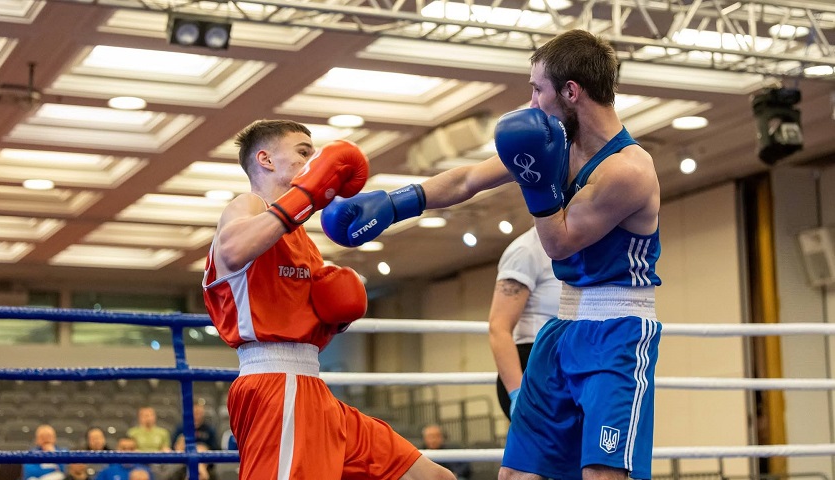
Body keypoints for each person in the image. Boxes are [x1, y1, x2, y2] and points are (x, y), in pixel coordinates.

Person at [321, 29, 662, 480]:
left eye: (538, 89)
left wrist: (538, 184)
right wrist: (394, 203)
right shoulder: (556, 143)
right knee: (516, 473)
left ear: (571, 91)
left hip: (616, 332)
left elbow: (558, 242)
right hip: (560, 327)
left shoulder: (629, 170)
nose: (532, 102)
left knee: (603, 474)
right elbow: (467, 180)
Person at [201, 119, 456, 480]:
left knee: (431, 476)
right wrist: (304, 196)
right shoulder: (248, 205)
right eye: (303, 152)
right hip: (275, 384)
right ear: (265, 159)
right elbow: (233, 248)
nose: (313, 162)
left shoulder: (303, 242)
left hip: (312, 387)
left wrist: (336, 314)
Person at [488, 226, 561, 420]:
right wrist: (517, 392)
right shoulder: (526, 250)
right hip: (533, 365)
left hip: (567, 363)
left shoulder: (577, 247)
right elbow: (499, 327)